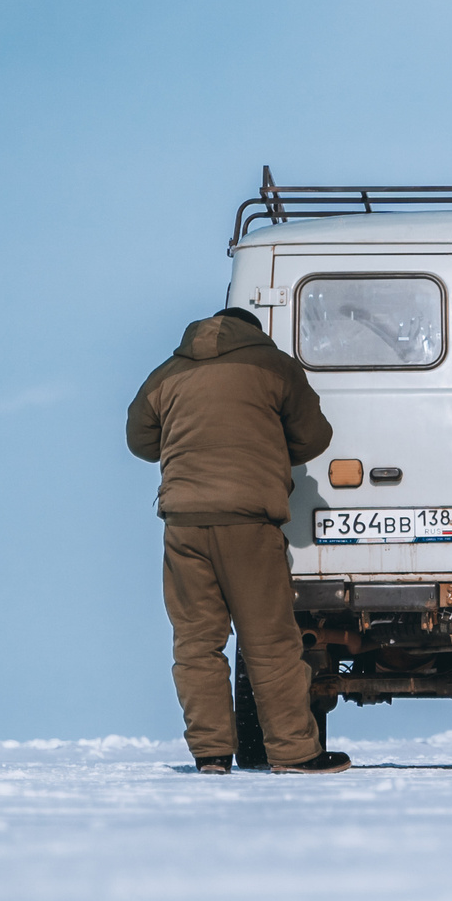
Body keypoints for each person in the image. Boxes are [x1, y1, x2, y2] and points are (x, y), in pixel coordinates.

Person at [126, 305, 350, 774]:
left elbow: (140, 442)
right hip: (249, 522)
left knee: (196, 642)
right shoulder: (273, 365)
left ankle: (210, 754)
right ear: (255, 333)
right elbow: (314, 436)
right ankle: (294, 753)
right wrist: (267, 440)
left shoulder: (168, 372)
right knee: (269, 641)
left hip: (184, 523)